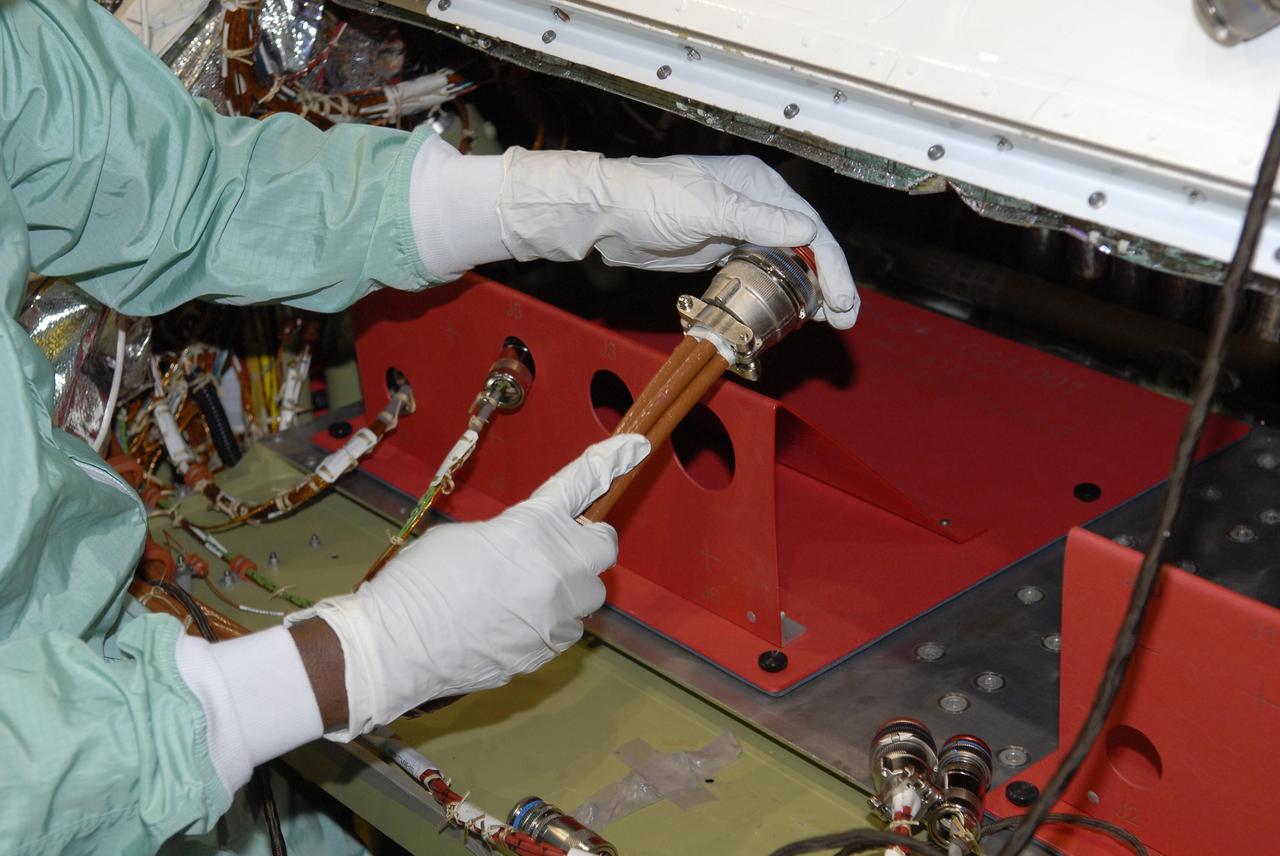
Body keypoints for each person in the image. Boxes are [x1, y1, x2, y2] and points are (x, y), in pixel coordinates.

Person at [0, 1, 859, 853]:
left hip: (120, 680)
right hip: (92, 777)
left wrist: (546, 201)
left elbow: (179, 189)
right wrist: (345, 666)